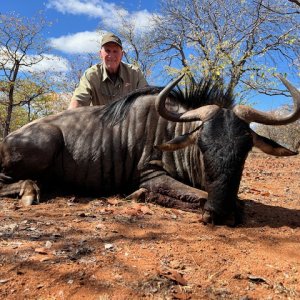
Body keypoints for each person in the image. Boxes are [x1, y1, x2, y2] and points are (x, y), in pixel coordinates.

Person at [68, 32, 148, 109]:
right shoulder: (91, 75)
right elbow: (78, 102)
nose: (111, 55)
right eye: (107, 51)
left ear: (122, 54)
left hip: (129, 121)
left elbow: (147, 100)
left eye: (115, 51)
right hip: (101, 122)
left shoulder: (135, 73)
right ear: (100, 54)